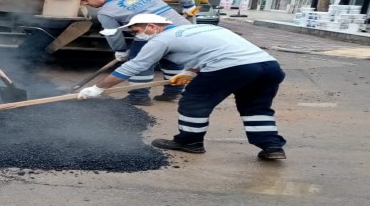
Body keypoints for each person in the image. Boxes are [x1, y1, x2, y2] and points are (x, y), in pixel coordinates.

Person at [77, 14, 287, 160]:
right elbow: (212, 50)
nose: (136, 34)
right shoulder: (204, 27)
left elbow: (135, 65)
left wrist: (98, 88)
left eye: (137, 29)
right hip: (269, 66)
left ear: (152, 26)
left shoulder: (161, 39)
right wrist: (191, 71)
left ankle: (190, 142)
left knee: (194, 103)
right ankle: (271, 146)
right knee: (256, 109)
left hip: (232, 67)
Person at [73, 0, 198, 105]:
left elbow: (113, 34)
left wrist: (120, 50)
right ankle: (173, 93)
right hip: (183, 32)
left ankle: (139, 97)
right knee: (173, 63)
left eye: (85, 0)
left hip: (149, 35)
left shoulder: (106, 13)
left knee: (140, 65)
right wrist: (189, 6)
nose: (84, 4)